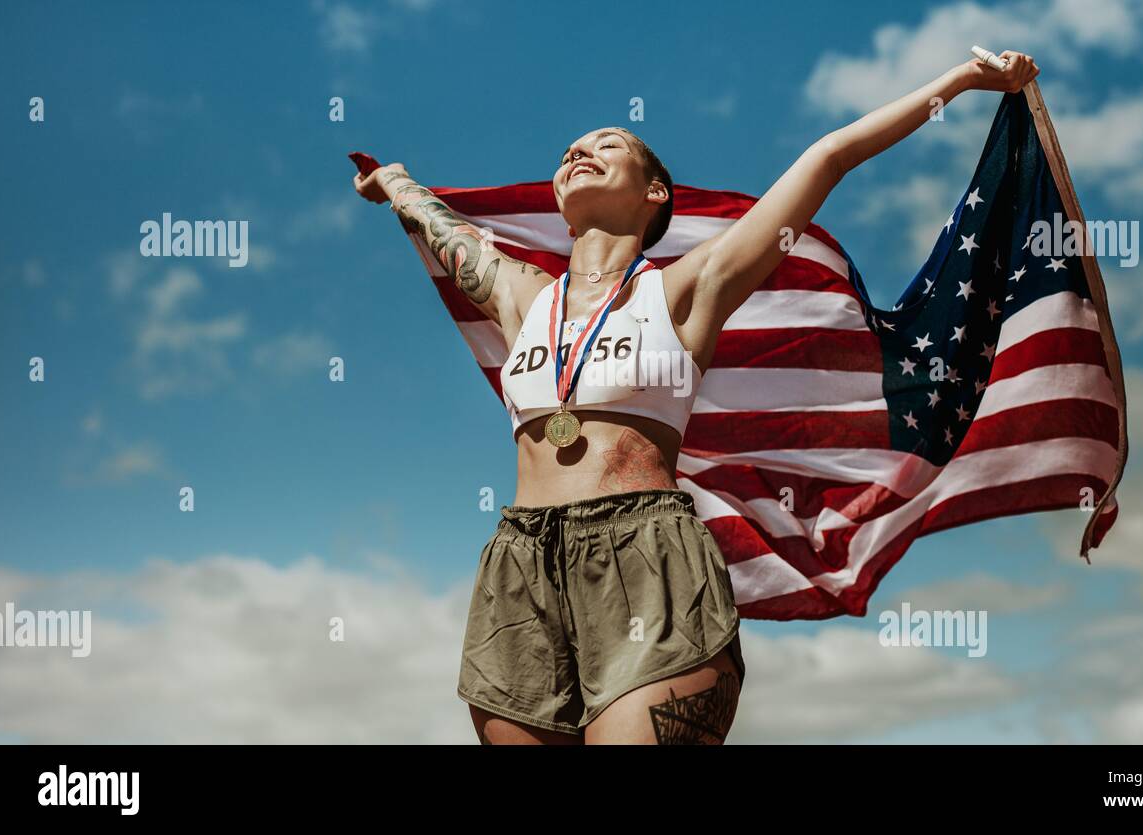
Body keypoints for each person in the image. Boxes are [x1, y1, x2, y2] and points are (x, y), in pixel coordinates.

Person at [353, 51, 1039, 744]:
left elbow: (829, 157)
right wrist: (397, 182)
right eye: (569, 151)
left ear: (655, 194)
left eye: (607, 145)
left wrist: (962, 81)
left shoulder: (687, 286)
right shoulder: (522, 294)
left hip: (645, 555)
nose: (578, 152)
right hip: (521, 565)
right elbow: (447, 235)